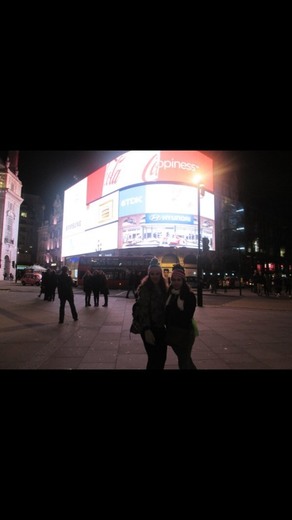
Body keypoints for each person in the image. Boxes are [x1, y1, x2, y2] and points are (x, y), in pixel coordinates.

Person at [135, 257, 168, 370]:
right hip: (149, 328)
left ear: (160, 274)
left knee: (162, 358)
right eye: (152, 274)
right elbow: (143, 311)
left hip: (160, 328)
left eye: (157, 274)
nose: (155, 276)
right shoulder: (145, 289)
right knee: (154, 358)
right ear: (149, 274)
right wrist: (147, 329)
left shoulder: (163, 288)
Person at [165, 264, 197, 369]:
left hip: (185, 334)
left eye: (179, 280)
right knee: (184, 360)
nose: (176, 282)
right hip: (173, 333)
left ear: (183, 281)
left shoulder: (189, 296)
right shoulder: (170, 294)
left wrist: (170, 317)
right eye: (174, 280)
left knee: (184, 361)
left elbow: (187, 316)